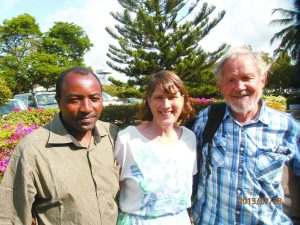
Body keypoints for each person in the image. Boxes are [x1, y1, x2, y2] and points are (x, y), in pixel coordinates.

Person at [192, 47, 300, 225]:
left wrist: (296, 215)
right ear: (220, 85)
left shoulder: (287, 127)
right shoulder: (207, 119)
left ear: (262, 80)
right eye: (230, 80)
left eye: (247, 78)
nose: (239, 87)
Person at [0, 67, 120, 225]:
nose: (86, 108)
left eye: (94, 98)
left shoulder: (112, 136)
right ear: (58, 100)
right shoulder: (32, 150)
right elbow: (11, 217)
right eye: (74, 100)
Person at [115, 70, 197, 224]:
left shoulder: (189, 138)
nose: (165, 105)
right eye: (158, 98)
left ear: (183, 99)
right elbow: (112, 188)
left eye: (172, 97)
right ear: (148, 100)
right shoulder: (127, 139)